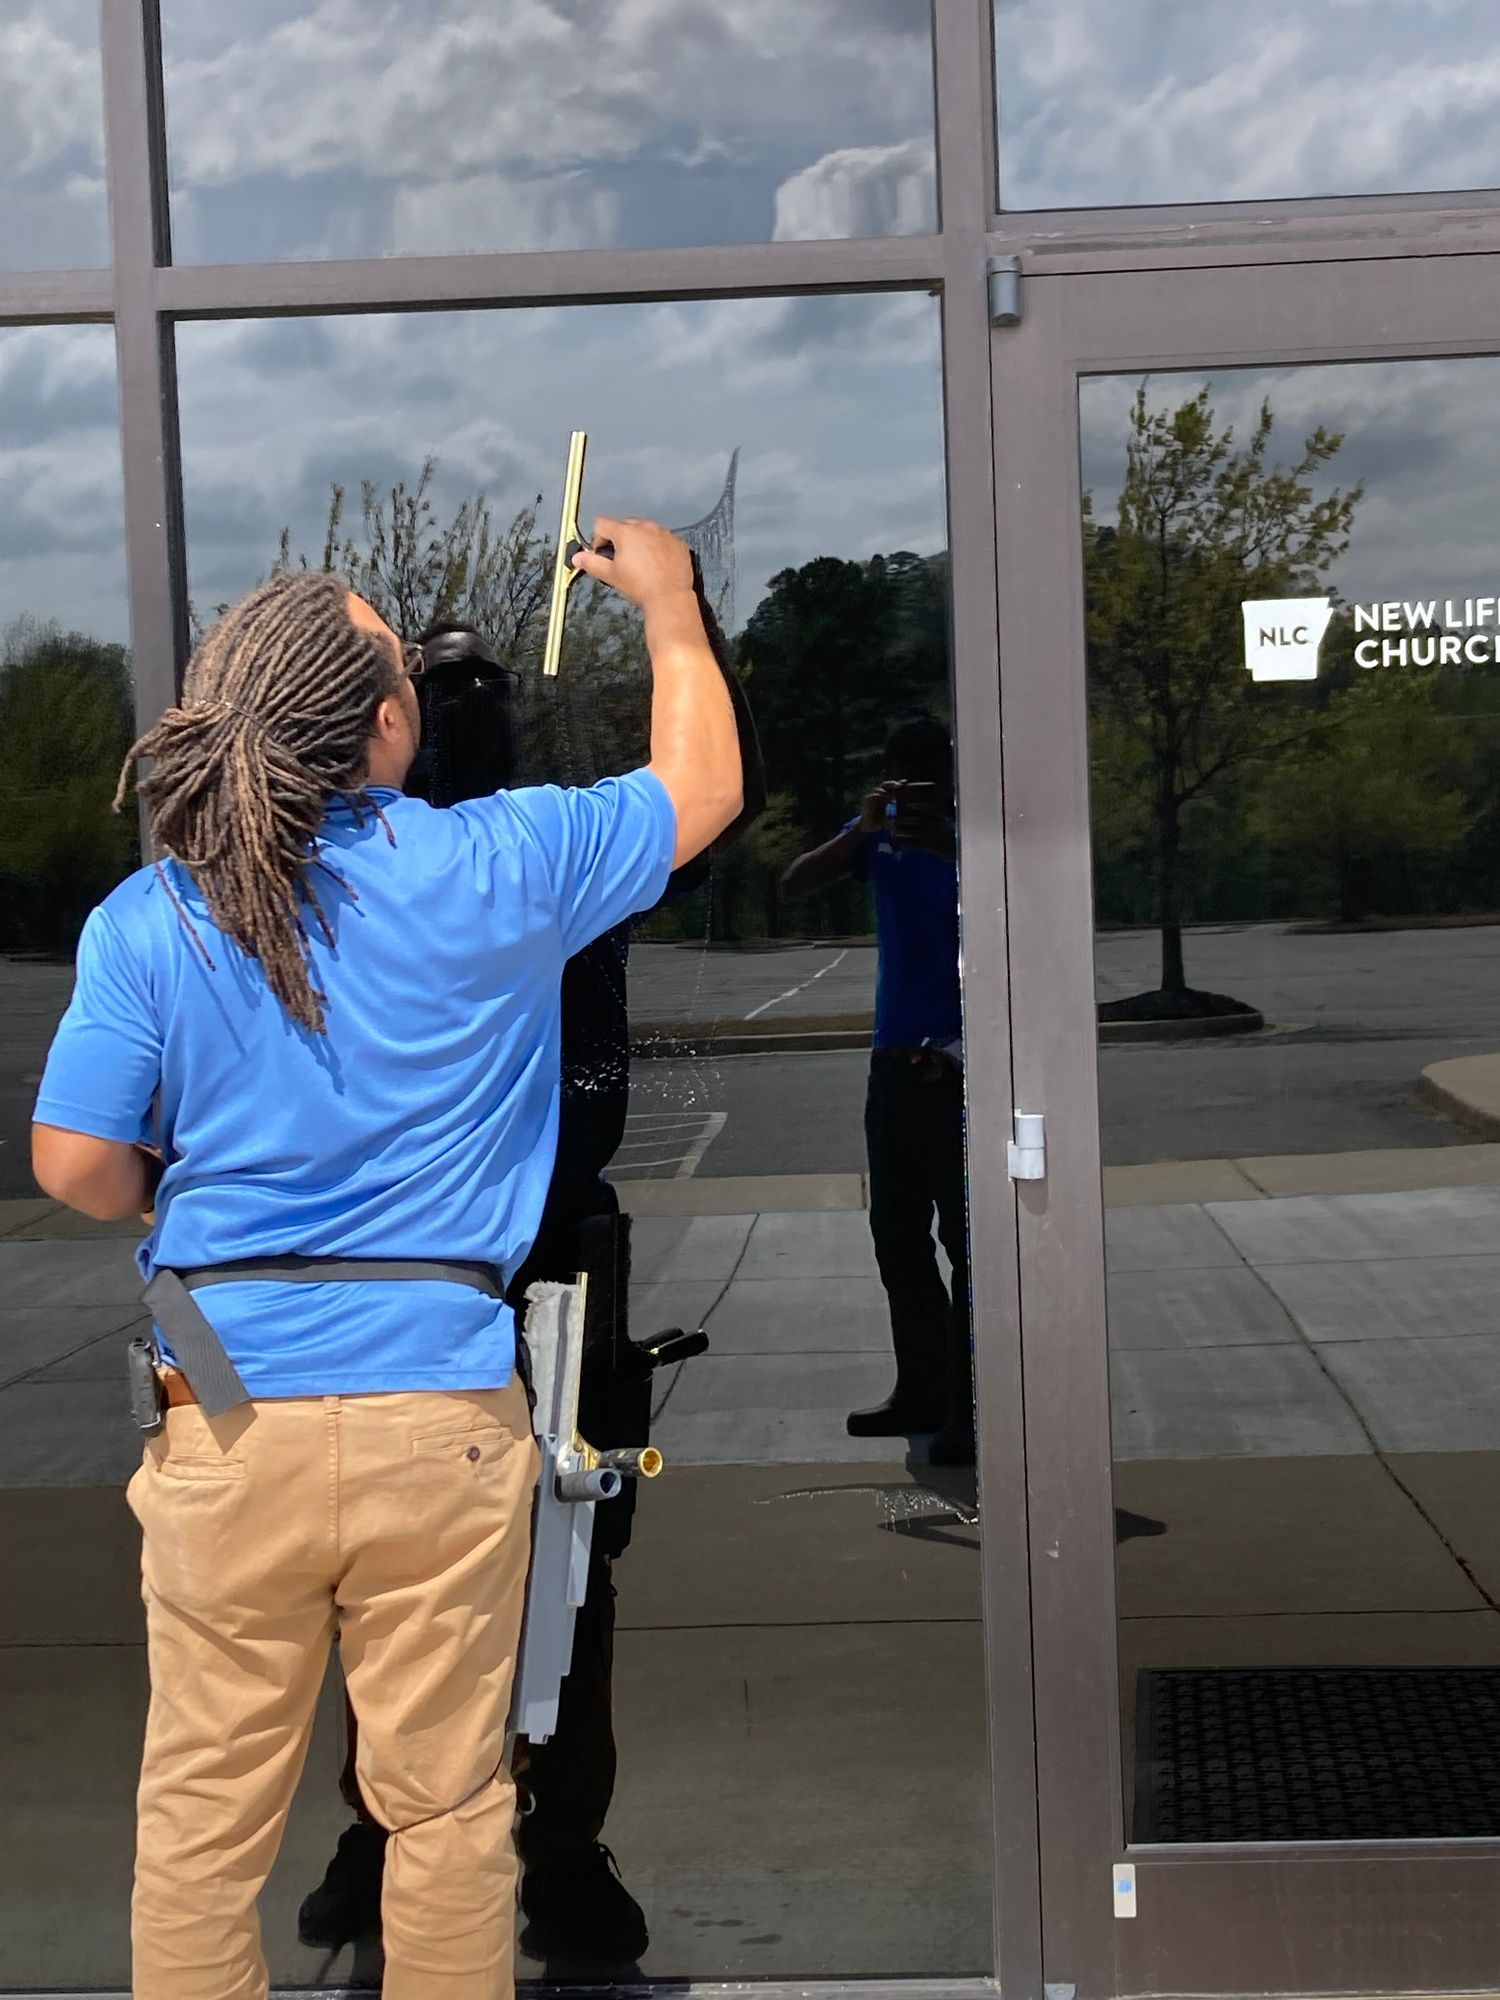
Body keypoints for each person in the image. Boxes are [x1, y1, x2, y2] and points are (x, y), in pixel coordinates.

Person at [31, 520, 742, 2000]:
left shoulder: (155, 913)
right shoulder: (497, 866)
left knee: (203, 1821)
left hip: (224, 1403)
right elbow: (704, 790)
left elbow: (77, 1170)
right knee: (449, 1811)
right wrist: (671, 603)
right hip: (441, 1407)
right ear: (384, 724)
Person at [781, 716, 973, 1466]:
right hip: (893, 1062)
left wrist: (957, 845)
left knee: (967, 1244)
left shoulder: (978, 838)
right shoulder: (877, 833)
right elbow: (795, 882)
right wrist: (861, 830)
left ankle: (969, 1409)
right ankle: (919, 1392)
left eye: (926, 780)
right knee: (897, 1238)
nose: (913, 793)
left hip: (961, 1065)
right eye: (900, 779)